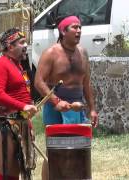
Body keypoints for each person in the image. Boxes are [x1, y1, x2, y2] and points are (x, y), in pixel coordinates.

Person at [34, 15, 98, 180]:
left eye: (79, 28)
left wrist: (92, 109)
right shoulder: (51, 53)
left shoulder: (83, 53)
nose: (78, 31)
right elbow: (38, 82)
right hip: (55, 108)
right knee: (54, 151)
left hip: (77, 109)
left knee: (78, 150)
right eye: (74, 27)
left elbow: (86, 84)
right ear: (63, 31)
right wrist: (56, 101)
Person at [0, 28, 38, 180]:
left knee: (17, 169)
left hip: (20, 122)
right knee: (7, 170)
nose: (26, 46)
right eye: (22, 42)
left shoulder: (17, 65)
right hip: (7, 125)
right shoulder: (0, 65)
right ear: (10, 46)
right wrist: (23, 106)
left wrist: (27, 119)